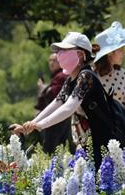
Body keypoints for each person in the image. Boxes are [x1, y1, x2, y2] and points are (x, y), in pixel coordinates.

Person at [10, 32, 115, 167]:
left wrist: (40, 126)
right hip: (86, 141)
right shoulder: (71, 79)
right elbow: (57, 103)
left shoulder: (86, 76)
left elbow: (69, 107)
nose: (60, 54)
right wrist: (31, 124)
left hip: (103, 140)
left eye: (65, 51)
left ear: (80, 54)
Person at [35, 52, 73, 154]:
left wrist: (42, 87)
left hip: (56, 116)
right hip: (62, 116)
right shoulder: (60, 75)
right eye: (50, 60)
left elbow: (54, 95)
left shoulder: (61, 76)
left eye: (54, 60)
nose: (51, 63)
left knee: (51, 147)